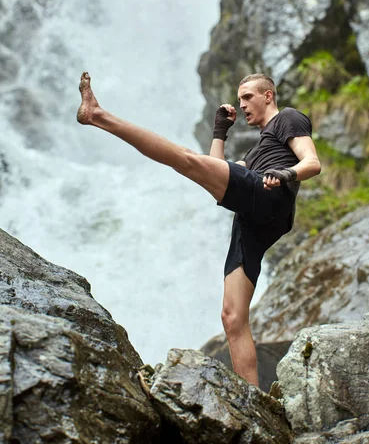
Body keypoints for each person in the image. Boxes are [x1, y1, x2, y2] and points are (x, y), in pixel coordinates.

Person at [77, 71, 321, 387]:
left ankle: (97, 115)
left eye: (248, 96)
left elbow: (312, 162)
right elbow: (215, 169)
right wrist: (220, 130)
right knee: (232, 318)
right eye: (239, 99)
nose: (243, 104)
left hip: (269, 195)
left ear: (268, 96)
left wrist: (286, 174)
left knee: (186, 159)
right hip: (254, 218)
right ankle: (251, 398)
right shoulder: (258, 148)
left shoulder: (287, 119)